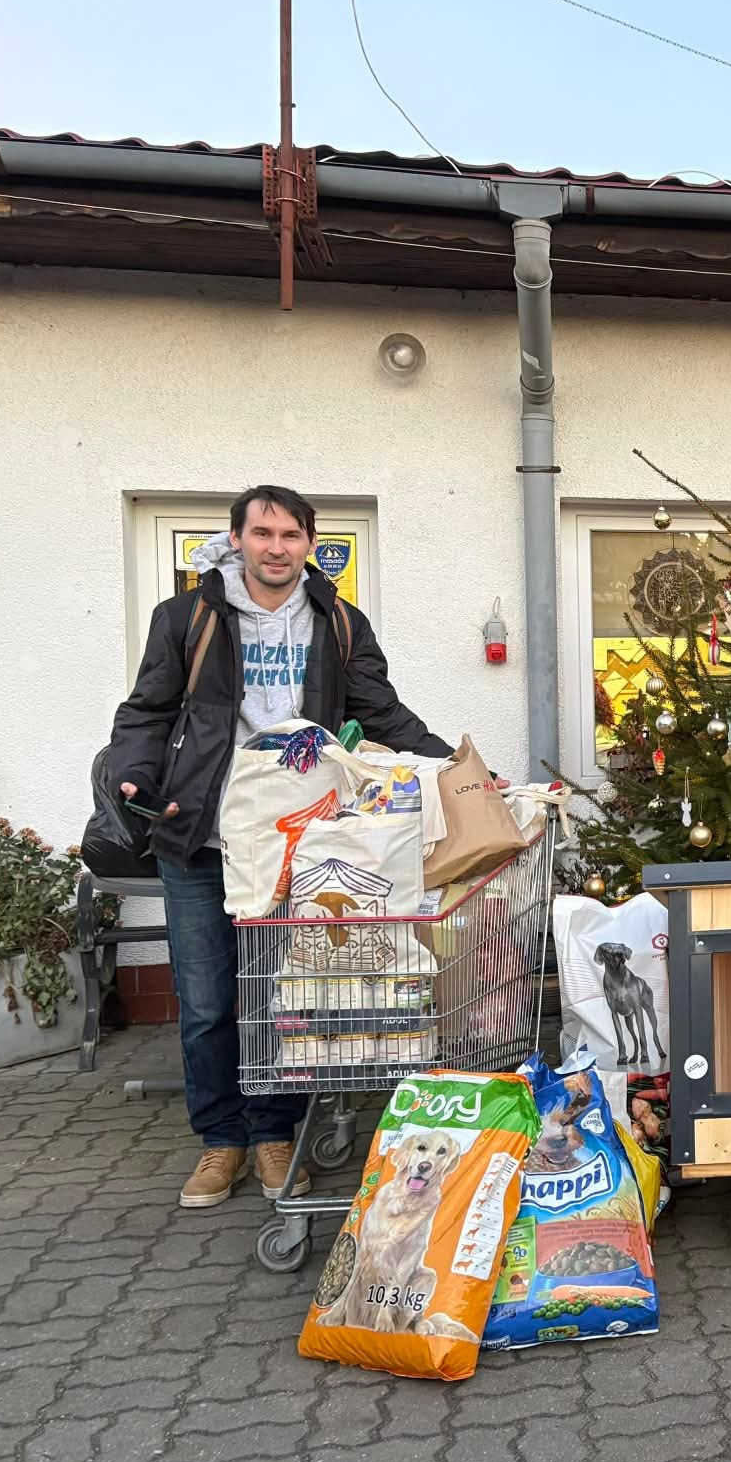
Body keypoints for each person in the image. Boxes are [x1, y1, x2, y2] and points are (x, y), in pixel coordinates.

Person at [108, 485, 452, 1210]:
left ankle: (273, 1132)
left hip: (299, 841)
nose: (275, 546)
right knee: (206, 1003)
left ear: (308, 544)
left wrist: (453, 768)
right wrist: (135, 774)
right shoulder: (188, 617)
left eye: (290, 534)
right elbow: (147, 711)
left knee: (276, 998)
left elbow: (379, 711)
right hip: (199, 834)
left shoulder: (338, 623)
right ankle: (219, 1143)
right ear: (237, 539)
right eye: (261, 532)